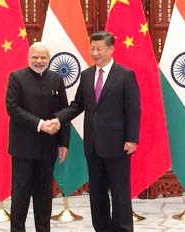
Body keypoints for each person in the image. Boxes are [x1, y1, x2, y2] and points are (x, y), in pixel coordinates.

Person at [52, 31, 140, 232]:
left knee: (120, 193)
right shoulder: (87, 75)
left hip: (118, 145)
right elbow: (77, 106)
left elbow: (133, 109)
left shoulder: (125, 75)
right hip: (92, 146)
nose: (95, 52)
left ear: (110, 49)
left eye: (99, 48)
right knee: (97, 194)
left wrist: (132, 138)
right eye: (92, 48)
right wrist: (58, 119)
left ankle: (123, 228)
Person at [6, 42, 70, 232]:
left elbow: (63, 111)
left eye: (43, 58)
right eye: (35, 57)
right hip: (23, 148)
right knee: (20, 195)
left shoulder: (56, 79)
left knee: (44, 195)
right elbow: (13, 108)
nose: (39, 61)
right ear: (29, 57)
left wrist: (63, 143)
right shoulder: (17, 77)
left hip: (48, 147)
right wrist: (40, 124)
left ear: (49, 59)